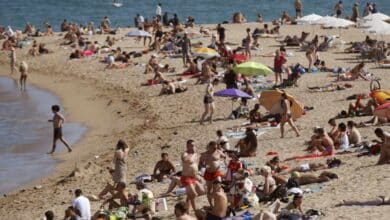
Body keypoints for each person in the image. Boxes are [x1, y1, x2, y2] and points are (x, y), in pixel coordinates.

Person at [199, 141, 226, 207]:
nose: (215, 149)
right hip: (208, 173)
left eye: (215, 147)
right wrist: (204, 166)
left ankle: (220, 202)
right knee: (209, 190)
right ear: (209, 147)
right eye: (213, 148)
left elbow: (224, 156)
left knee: (218, 186)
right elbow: (200, 163)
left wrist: (223, 163)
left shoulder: (218, 152)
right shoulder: (204, 154)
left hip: (217, 172)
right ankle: (211, 204)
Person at [181, 140, 205, 211]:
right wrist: (191, 154)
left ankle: (185, 209)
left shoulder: (196, 155)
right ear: (187, 146)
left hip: (194, 177)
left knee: (201, 191)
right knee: (194, 194)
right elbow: (185, 160)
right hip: (186, 177)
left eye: (194, 145)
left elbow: (196, 165)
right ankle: (195, 210)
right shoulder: (185, 154)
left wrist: (198, 175)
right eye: (191, 145)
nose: (193, 147)